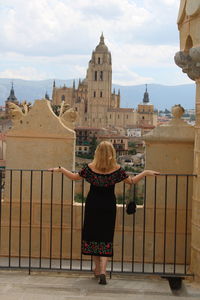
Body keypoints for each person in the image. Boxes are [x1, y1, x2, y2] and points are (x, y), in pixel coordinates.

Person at [49, 141, 159, 285]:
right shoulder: (117, 169)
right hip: (108, 206)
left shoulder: (90, 168)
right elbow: (131, 181)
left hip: (93, 205)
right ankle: (103, 270)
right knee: (106, 237)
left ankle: (96, 268)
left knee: (93, 235)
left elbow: (75, 177)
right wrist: (145, 172)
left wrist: (61, 169)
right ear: (112, 154)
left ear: (97, 153)